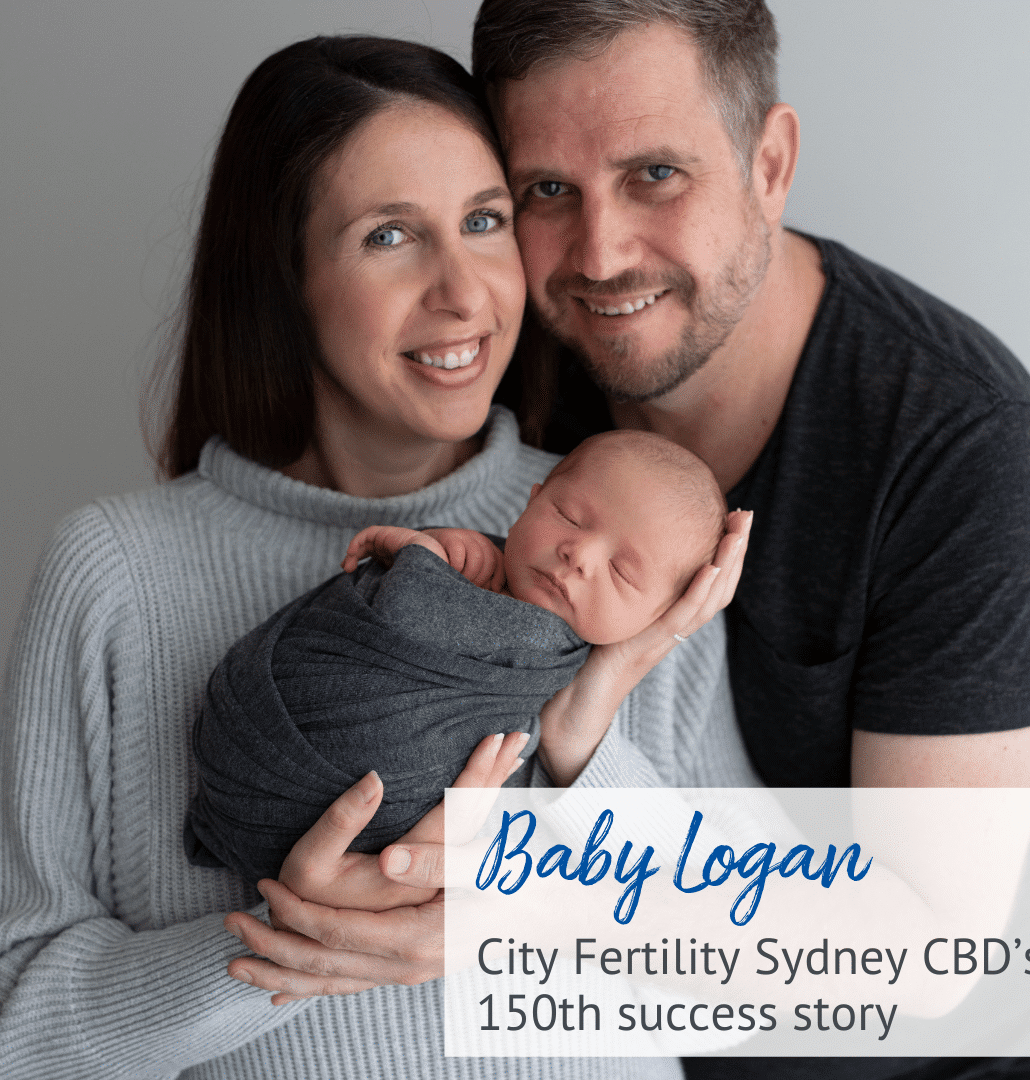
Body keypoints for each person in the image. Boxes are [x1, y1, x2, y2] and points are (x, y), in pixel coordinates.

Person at [0, 33, 754, 1079]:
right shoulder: (116, 573)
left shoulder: (633, 546)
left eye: (485, 221)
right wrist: (288, 952)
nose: (463, 291)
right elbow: (17, 1022)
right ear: (284, 276)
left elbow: (753, 972)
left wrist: (584, 738)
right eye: (391, 235)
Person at [467, 1, 1030, 1078]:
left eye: (656, 175)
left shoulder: (960, 447)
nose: (601, 254)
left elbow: (927, 953)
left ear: (771, 162)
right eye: (548, 191)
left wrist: (486, 933)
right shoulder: (515, 372)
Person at [187, 429, 727, 885]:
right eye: (568, 516)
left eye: (622, 572)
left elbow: (721, 901)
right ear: (530, 499)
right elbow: (405, 609)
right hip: (255, 732)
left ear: (658, 616)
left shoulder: (635, 667)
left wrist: (585, 725)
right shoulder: (468, 555)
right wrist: (426, 558)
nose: (580, 555)